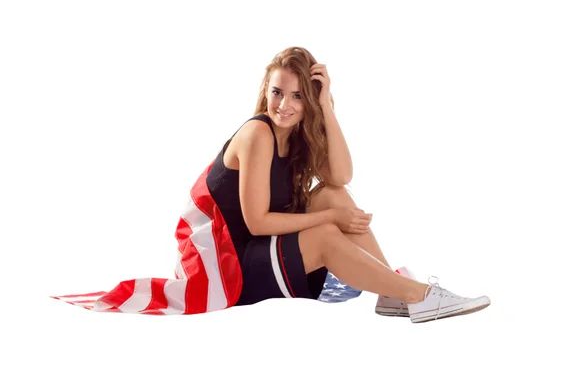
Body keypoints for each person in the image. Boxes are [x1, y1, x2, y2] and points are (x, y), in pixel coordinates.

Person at [205, 46, 491, 323]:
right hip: (234, 268)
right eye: (277, 93)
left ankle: (393, 292)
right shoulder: (258, 133)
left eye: (298, 96)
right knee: (327, 231)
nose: (284, 105)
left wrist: (326, 106)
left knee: (333, 195)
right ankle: (417, 295)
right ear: (266, 89)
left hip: (262, 251)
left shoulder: (293, 136)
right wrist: (329, 218)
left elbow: (341, 178)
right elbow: (257, 223)